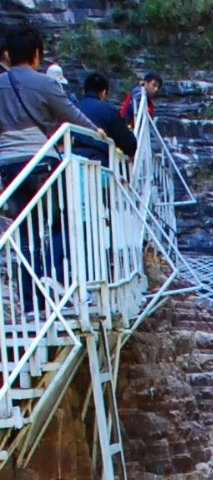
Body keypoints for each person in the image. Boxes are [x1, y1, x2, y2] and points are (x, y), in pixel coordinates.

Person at [0, 22, 110, 294]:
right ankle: (56, 281)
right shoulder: (45, 83)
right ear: (36, 53)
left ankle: (30, 300)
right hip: (41, 164)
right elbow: (73, 116)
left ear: (8, 54)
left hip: (8, 166)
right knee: (59, 222)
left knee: (24, 232)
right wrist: (98, 133)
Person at [76, 71, 137, 162]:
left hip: (71, 160)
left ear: (84, 91)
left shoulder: (73, 108)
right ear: (104, 92)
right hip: (98, 162)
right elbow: (128, 143)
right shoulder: (108, 110)